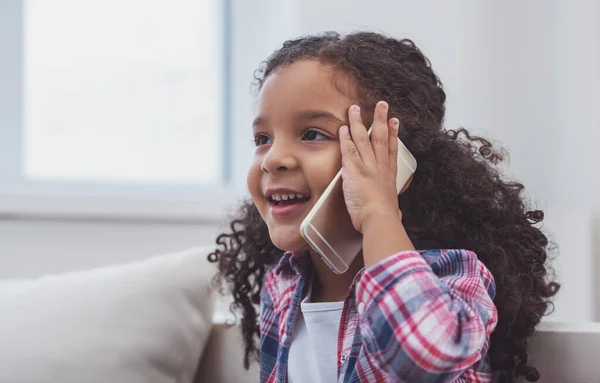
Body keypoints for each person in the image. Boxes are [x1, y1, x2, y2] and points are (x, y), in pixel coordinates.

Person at [208, 31, 559, 383]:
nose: (273, 159)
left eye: (313, 134)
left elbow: (420, 360)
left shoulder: (453, 276)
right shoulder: (281, 284)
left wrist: (378, 213)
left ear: (397, 164)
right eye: (262, 139)